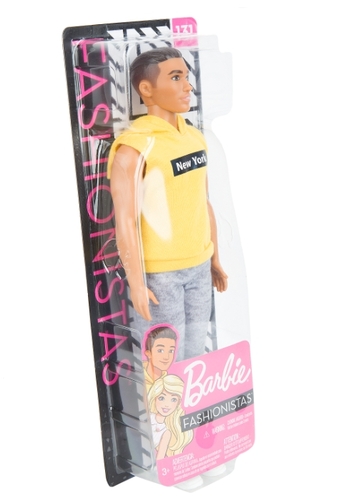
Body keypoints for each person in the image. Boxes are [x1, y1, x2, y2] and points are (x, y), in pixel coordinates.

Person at [107, 47, 228, 361]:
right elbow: (126, 220)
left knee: (195, 353)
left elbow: (202, 200)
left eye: (186, 76)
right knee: (165, 361)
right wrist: (136, 282)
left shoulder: (194, 138)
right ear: (146, 89)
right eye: (176, 77)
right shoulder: (134, 147)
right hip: (161, 274)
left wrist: (215, 257)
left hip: (200, 265)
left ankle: (194, 396)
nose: (188, 86)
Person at [147, 374, 193, 459]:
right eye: (161, 398)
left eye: (173, 399)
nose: (167, 404)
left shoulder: (166, 433)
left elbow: (160, 457)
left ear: (178, 403)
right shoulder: (147, 417)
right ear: (155, 398)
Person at [143, 325, 177, 391]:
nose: (166, 357)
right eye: (160, 350)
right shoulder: (138, 375)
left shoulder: (171, 383)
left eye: (171, 351)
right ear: (148, 353)